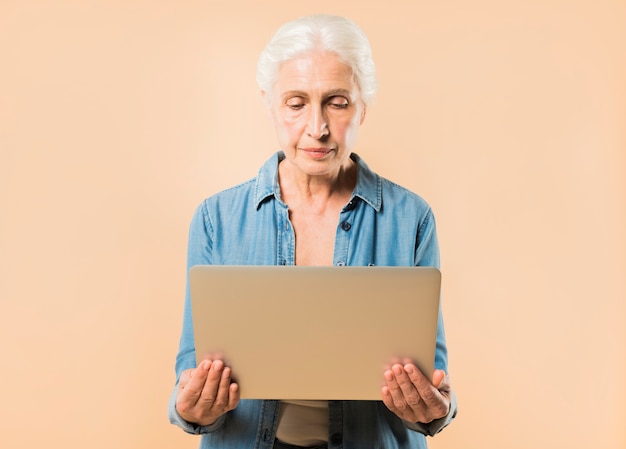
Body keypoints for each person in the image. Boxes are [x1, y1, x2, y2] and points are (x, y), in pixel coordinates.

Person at [169, 14, 457, 449]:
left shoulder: (411, 217)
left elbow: (434, 381)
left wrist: (434, 409)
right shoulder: (217, 218)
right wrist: (191, 408)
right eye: (296, 102)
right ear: (270, 104)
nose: (317, 127)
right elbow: (189, 378)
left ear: (362, 106)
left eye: (337, 102)